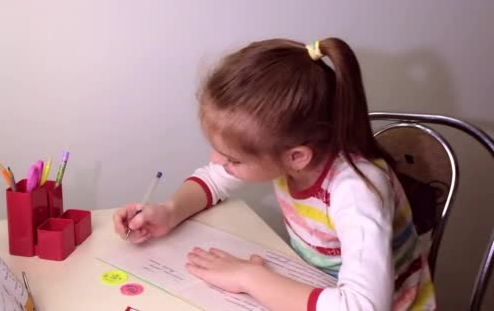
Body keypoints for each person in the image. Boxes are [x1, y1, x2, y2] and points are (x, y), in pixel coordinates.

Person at [113, 37, 436, 310]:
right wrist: (168, 213)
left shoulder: (356, 190)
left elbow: (361, 306)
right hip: (319, 287)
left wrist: (250, 279)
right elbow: (213, 179)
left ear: (296, 156)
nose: (216, 161)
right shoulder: (288, 151)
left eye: (232, 159)